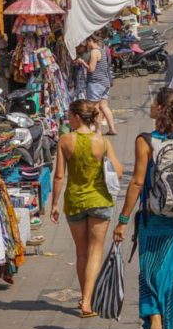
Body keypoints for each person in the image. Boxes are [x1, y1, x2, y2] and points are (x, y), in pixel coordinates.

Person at [113, 87, 173, 329]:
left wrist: (122, 220)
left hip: (153, 220)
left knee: (151, 271)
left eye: (153, 103)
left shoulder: (144, 141)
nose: (150, 107)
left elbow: (137, 183)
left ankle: (154, 325)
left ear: (160, 109)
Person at [50, 100, 124, 317]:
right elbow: (119, 172)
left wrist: (54, 204)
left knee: (81, 253)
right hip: (100, 200)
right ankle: (88, 303)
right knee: (95, 252)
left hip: (75, 202)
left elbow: (59, 176)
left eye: (69, 116)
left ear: (78, 117)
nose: (68, 120)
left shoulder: (65, 140)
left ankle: (85, 297)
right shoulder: (102, 142)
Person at [79, 35, 118, 135]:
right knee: (104, 106)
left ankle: (98, 131)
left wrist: (82, 62)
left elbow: (91, 68)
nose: (87, 45)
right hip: (104, 82)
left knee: (95, 108)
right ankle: (112, 129)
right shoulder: (102, 50)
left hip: (95, 83)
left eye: (87, 42)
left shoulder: (94, 52)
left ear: (91, 41)